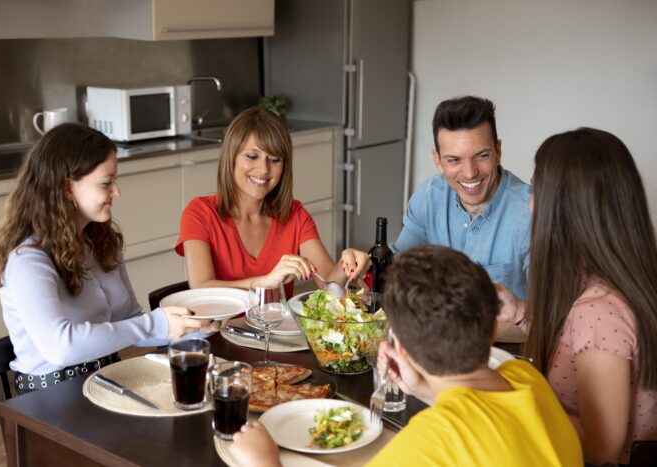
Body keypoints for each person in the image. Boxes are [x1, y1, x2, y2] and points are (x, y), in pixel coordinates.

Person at [229, 245, 583, 466]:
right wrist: (424, 390)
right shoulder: (528, 379)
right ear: (492, 330)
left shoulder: (433, 439)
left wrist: (263, 462)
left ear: (397, 344)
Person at [0, 123, 206, 395]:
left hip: (108, 378)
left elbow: (129, 321)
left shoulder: (101, 241)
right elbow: (61, 347)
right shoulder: (27, 259)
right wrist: (157, 323)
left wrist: (198, 328)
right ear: (67, 188)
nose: (117, 192)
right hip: (49, 399)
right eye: (106, 183)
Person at [497, 128, 657, 465]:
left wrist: (507, 399)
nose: (529, 207)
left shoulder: (599, 311)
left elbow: (600, 452)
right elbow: (576, 345)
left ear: (565, 210)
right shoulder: (611, 280)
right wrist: (520, 313)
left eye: (537, 192)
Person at [176, 107, 369, 294]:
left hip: (276, 327)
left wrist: (347, 263)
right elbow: (201, 287)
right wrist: (266, 282)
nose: (264, 169)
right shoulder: (200, 212)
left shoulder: (295, 215)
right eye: (252, 156)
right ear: (231, 157)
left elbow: (329, 286)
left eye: (275, 160)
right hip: (217, 327)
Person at [394, 96, 531, 299]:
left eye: (481, 156)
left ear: (498, 151)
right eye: (454, 160)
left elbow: (552, 315)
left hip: (505, 332)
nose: (469, 173)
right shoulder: (429, 196)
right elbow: (398, 270)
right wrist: (367, 268)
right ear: (438, 161)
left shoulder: (531, 212)